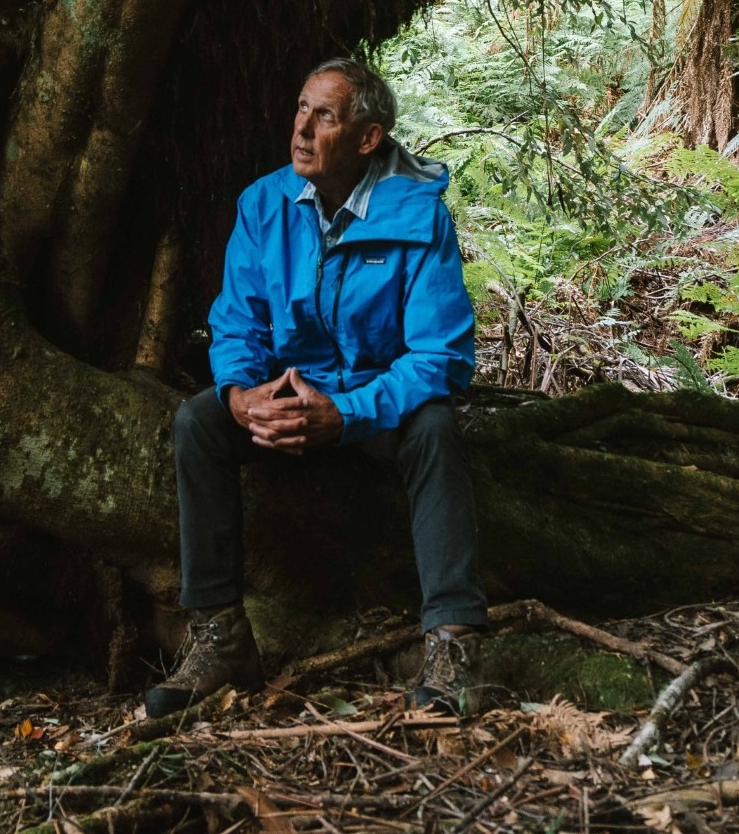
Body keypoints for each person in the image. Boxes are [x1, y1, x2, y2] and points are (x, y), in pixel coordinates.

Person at [145, 58, 486, 718]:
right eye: (301, 108)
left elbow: (441, 356)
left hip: (374, 404)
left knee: (437, 428)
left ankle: (453, 645)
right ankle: (220, 637)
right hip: (289, 402)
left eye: (323, 116)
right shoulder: (264, 204)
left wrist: (349, 412)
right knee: (198, 422)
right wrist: (243, 396)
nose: (301, 128)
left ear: (367, 138)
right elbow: (237, 321)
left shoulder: (418, 218)